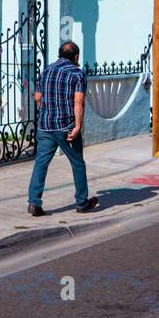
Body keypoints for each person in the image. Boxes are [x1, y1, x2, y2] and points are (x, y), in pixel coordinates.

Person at [27, 41, 99, 216]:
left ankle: (34, 202)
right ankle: (82, 202)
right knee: (77, 163)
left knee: (41, 163)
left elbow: (37, 97)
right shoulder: (77, 73)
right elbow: (79, 102)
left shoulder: (46, 70)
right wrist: (78, 126)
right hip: (65, 127)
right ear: (76, 57)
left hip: (45, 126)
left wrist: (47, 110)